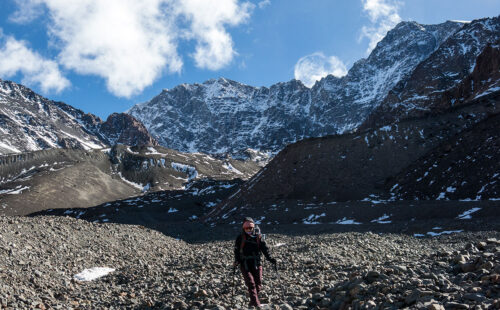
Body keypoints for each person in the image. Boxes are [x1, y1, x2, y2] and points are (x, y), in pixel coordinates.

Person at [234, 217, 277, 308]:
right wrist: (237, 261)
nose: (249, 230)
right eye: (247, 228)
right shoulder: (240, 238)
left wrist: (271, 259)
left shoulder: (258, 237)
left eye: (251, 228)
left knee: (258, 284)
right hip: (244, 264)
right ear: (243, 228)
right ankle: (256, 305)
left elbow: (265, 249)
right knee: (251, 283)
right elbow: (236, 251)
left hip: (256, 263)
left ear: (253, 228)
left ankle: (252, 303)